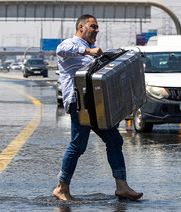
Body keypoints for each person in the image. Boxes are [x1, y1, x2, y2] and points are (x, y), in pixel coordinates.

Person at [53, 14, 143, 201]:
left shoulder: (92, 50)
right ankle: (61, 188)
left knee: (115, 141)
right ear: (81, 27)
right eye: (93, 26)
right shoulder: (71, 45)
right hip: (80, 104)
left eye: (97, 27)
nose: (97, 30)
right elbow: (61, 49)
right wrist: (88, 52)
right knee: (78, 145)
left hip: (96, 104)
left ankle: (122, 186)